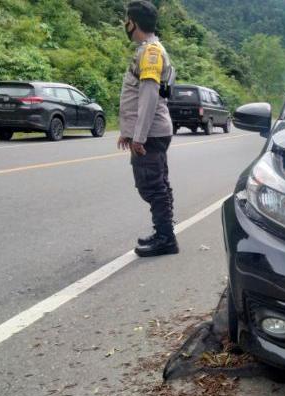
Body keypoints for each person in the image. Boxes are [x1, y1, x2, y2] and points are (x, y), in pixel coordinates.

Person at [117, 0, 178, 257]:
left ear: (134, 23)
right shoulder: (148, 49)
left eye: (127, 20)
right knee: (158, 183)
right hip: (152, 131)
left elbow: (150, 95)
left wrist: (138, 137)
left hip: (151, 134)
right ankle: (164, 232)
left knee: (151, 186)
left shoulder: (150, 52)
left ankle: (165, 238)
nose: (125, 24)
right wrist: (127, 131)